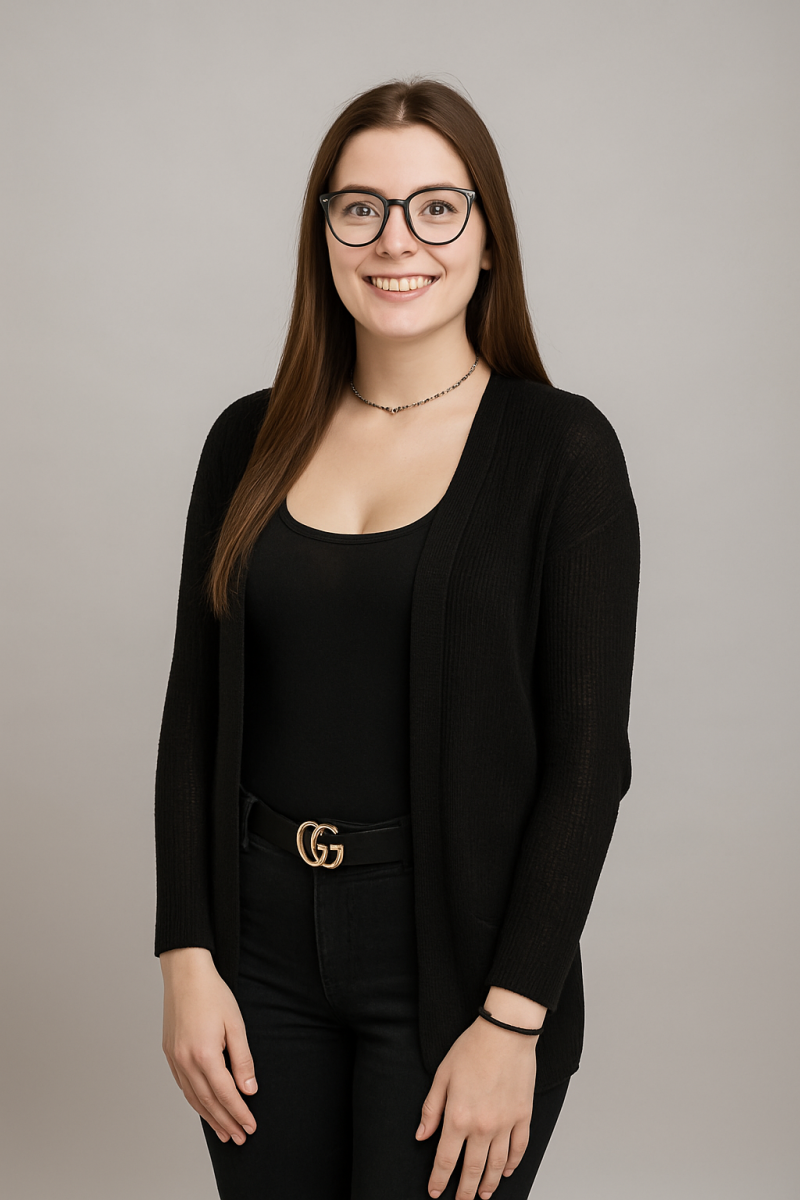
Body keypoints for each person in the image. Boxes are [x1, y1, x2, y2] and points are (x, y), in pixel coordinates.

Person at [155, 78, 640, 1200]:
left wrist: (510, 1022)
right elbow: (194, 718)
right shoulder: (247, 440)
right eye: (359, 208)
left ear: (486, 240)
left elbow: (586, 765)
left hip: (456, 956)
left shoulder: (558, 452)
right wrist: (185, 954)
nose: (394, 241)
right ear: (322, 232)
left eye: (435, 208)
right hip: (255, 952)